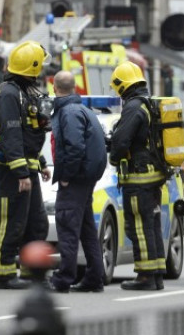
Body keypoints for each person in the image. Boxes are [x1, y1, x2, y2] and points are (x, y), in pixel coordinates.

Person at [0, 40, 53, 290]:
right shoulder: (7, 94)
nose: (42, 72)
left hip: (27, 168)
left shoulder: (24, 92)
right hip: (11, 170)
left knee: (36, 222)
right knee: (11, 221)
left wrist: (41, 163)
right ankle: (4, 274)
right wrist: (20, 172)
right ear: (32, 68)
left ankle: (31, 272)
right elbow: (11, 135)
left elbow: (29, 134)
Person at [48, 71, 107, 293]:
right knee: (86, 229)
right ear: (74, 88)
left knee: (67, 226)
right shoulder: (83, 109)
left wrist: (66, 176)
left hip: (75, 180)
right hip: (86, 178)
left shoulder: (68, 112)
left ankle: (64, 278)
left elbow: (74, 147)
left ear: (55, 87)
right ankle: (94, 277)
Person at [109, 61, 166, 291]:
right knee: (151, 224)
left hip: (138, 179)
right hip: (153, 177)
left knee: (139, 227)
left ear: (123, 86)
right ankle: (157, 273)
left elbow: (122, 141)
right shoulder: (149, 104)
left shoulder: (133, 107)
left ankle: (145, 276)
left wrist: (114, 156)